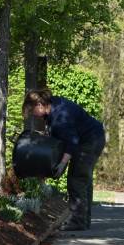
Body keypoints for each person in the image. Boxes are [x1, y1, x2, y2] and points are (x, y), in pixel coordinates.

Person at [22, 88, 105, 231]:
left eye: (31, 111)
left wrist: (61, 164)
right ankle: (84, 220)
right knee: (84, 179)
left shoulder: (60, 116)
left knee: (76, 179)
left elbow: (71, 142)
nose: (32, 115)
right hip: (94, 137)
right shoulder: (54, 105)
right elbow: (59, 137)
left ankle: (78, 222)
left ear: (40, 105)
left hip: (89, 141)